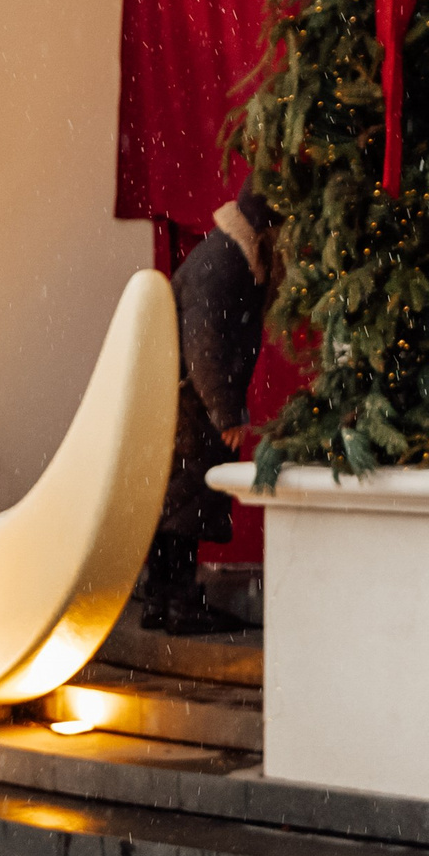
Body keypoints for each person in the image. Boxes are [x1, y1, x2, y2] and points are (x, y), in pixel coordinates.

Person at [139, 184, 275, 635]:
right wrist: (226, 411)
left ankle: (160, 598)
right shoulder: (224, 262)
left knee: (174, 502)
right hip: (192, 410)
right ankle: (181, 604)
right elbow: (205, 345)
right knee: (187, 504)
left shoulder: (221, 254)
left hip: (179, 402)